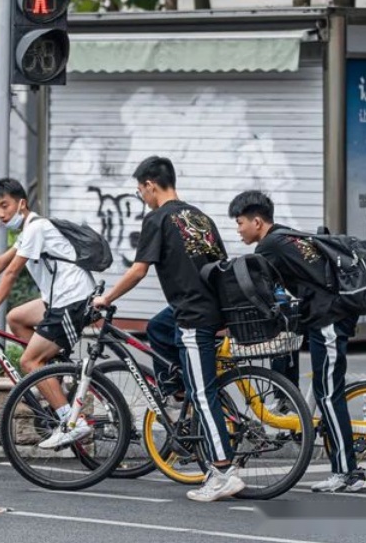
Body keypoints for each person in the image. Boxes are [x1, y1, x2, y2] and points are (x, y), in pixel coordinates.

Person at [92, 156, 245, 503]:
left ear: (150, 185)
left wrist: (107, 298)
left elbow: (138, 270)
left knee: (202, 393)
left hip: (194, 316)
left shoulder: (157, 218)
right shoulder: (198, 217)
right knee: (157, 327)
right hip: (204, 308)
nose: (141, 196)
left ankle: (223, 471)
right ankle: (176, 390)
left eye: (140, 190)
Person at [228, 190, 366, 493]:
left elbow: (246, 285)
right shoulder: (283, 238)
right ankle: (343, 466)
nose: (237, 230)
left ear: (257, 221)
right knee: (324, 389)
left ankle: (349, 473)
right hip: (325, 316)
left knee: (328, 393)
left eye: (239, 223)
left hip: (329, 317)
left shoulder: (270, 246)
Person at [0, 178, 96, 448]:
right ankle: (51, 375)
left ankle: (72, 421)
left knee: (29, 363)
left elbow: (12, 271)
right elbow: (0, 263)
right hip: (57, 300)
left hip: (73, 300)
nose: (1, 214)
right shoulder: (30, 230)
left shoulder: (37, 228)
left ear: (22, 203)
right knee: (16, 318)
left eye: (5, 205)